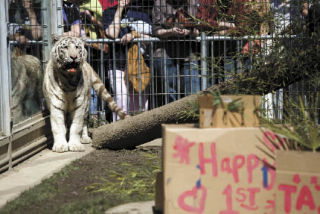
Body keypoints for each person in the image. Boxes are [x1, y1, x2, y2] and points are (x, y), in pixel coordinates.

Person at [103, 0, 152, 119]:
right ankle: (119, 133)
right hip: (117, 64)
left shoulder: (142, 13)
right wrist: (119, 10)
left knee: (139, 106)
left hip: (138, 65)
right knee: (121, 101)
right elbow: (113, 34)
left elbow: (150, 38)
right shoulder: (109, 13)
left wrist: (134, 36)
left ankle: (140, 134)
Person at [152, 0, 201, 103]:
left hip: (189, 54)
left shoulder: (193, 3)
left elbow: (199, 30)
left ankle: (191, 118)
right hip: (164, 54)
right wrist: (170, 32)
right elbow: (156, 30)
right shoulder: (160, 3)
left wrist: (190, 31)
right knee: (171, 96)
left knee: (193, 93)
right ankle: (173, 119)